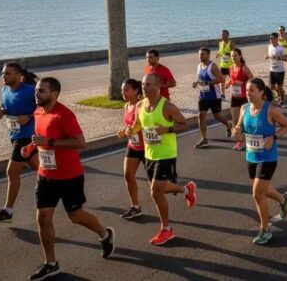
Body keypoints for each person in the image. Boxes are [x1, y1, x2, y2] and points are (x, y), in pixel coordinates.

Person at [28, 77, 115, 280]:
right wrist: (32, 147)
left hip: (69, 176)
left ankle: (105, 234)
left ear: (54, 94)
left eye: (41, 91)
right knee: (42, 218)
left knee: (75, 216)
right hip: (46, 175)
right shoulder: (38, 111)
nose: (36, 94)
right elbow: (41, 138)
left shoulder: (64, 115)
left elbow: (80, 142)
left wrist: (49, 141)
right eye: (36, 90)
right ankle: (51, 263)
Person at [233, 78, 287, 244]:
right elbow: (239, 128)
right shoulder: (244, 109)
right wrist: (236, 132)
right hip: (251, 155)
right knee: (262, 191)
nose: (248, 94)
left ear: (261, 92)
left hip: (268, 157)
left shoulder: (270, 110)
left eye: (252, 91)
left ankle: (265, 230)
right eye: (247, 91)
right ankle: (283, 200)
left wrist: (274, 136)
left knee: (257, 193)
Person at [138, 74, 195, 246]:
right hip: (149, 154)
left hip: (166, 154)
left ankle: (167, 230)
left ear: (158, 86)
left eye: (148, 84)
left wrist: (168, 129)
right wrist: (128, 130)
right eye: (142, 84)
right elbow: (137, 123)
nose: (144, 87)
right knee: (159, 190)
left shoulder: (168, 107)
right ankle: (186, 190)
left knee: (155, 191)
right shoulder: (140, 104)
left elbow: (185, 124)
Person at [0, 62, 38, 224]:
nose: (4, 76)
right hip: (14, 135)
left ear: (18, 75)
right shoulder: (4, 90)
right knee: (38, 167)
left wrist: (29, 117)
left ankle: (7, 211)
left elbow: (45, 107)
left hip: (27, 137)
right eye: (3, 73)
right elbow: (6, 104)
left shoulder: (30, 91)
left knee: (12, 172)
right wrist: (2, 111)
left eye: (8, 73)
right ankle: (62, 184)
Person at [193, 47, 233, 148]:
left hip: (214, 96)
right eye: (199, 54)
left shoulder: (213, 66)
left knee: (217, 115)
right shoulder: (198, 66)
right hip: (203, 96)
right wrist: (196, 83)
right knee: (201, 116)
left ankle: (228, 125)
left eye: (203, 54)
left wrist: (208, 83)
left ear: (208, 55)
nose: (200, 56)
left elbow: (221, 79)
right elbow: (201, 78)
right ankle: (204, 139)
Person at [117, 79, 146, 219]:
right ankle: (135, 207)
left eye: (126, 90)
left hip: (147, 148)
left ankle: (185, 189)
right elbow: (129, 126)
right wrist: (124, 131)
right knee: (128, 175)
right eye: (122, 90)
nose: (123, 93)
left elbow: (137, 125)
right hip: (133, 146)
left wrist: (129, 130)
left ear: (136, 91)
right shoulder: (126, 106)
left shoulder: (141, 105)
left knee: (158, 185)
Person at [227, 48, 254, 151]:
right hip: (234, 96)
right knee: (234, 120)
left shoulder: (244, 68)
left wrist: (243, 83)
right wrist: (228, 82)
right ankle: (240, 141)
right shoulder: (230, 68)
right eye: (232, 56)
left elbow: (252, 80)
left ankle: (250, 138)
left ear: (240, 56)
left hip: (244, 97)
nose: (233, 58)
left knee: (245, 121)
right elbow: (232, 78)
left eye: (235, 56)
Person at [266, 33, 287, 105]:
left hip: (280, 70)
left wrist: (279, 57)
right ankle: (280, 92)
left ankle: (282, 100)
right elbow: (270, 55)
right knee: (271, 87)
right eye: (270, 38)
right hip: (272, 69)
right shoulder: (269, 47)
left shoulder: (281, 48)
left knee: (280, 86)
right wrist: (267, 57)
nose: (272, 40)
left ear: (277, 39)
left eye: (273, 38)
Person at [216, 29, 235, 98]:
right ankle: (222, 94)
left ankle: (234, 93)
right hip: (223, 65)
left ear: (228, 35)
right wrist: (218, 54)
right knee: (222, 80)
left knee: (233, 80)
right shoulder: (220, 43)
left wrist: (228, 54)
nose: (222, 36)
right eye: (221, 34)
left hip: (231, 65)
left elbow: (235, 53)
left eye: (224, 34)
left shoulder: (231, 43)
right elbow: (220, 51)